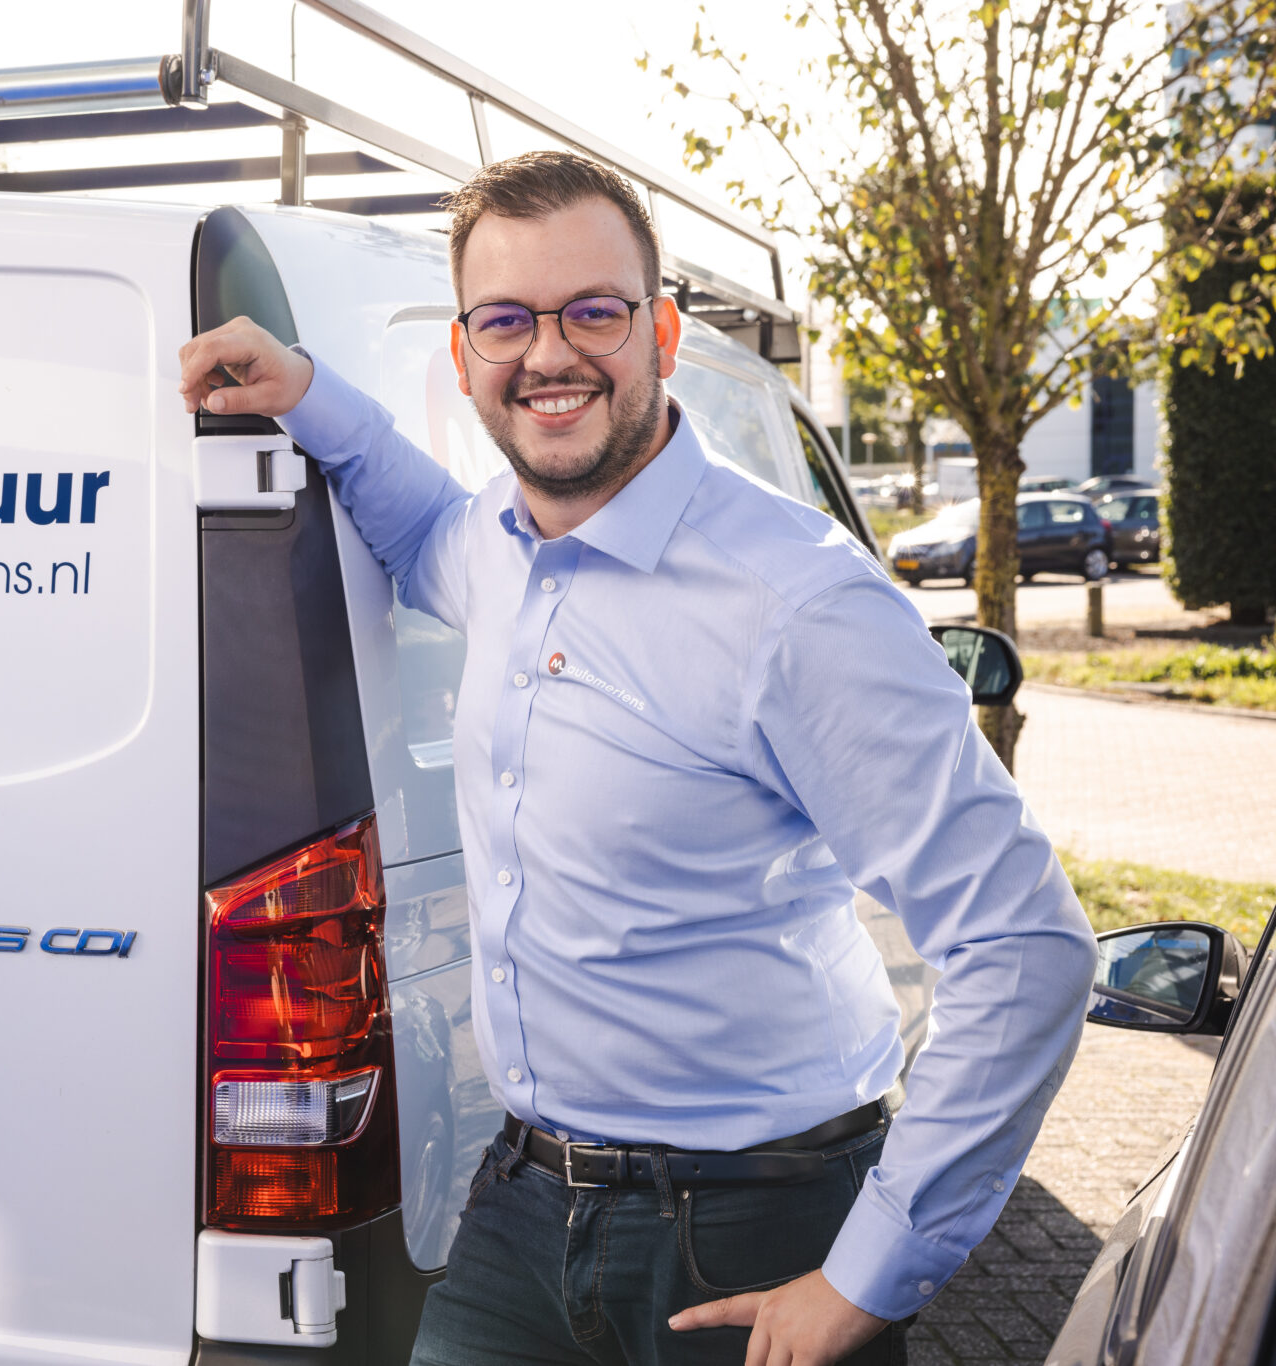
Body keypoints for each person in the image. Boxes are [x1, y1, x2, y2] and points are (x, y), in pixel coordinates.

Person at [177, 151, 1094, 1366]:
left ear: (657, 328)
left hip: (754, 1225)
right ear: (464, 359)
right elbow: (408, 514)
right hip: (520, 1203)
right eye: (504, 320)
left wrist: (863, 1280)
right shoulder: (497, 550)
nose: (546, 353)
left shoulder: (796, 601)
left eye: (591, 312)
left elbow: (1024, 947)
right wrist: (301, 388)